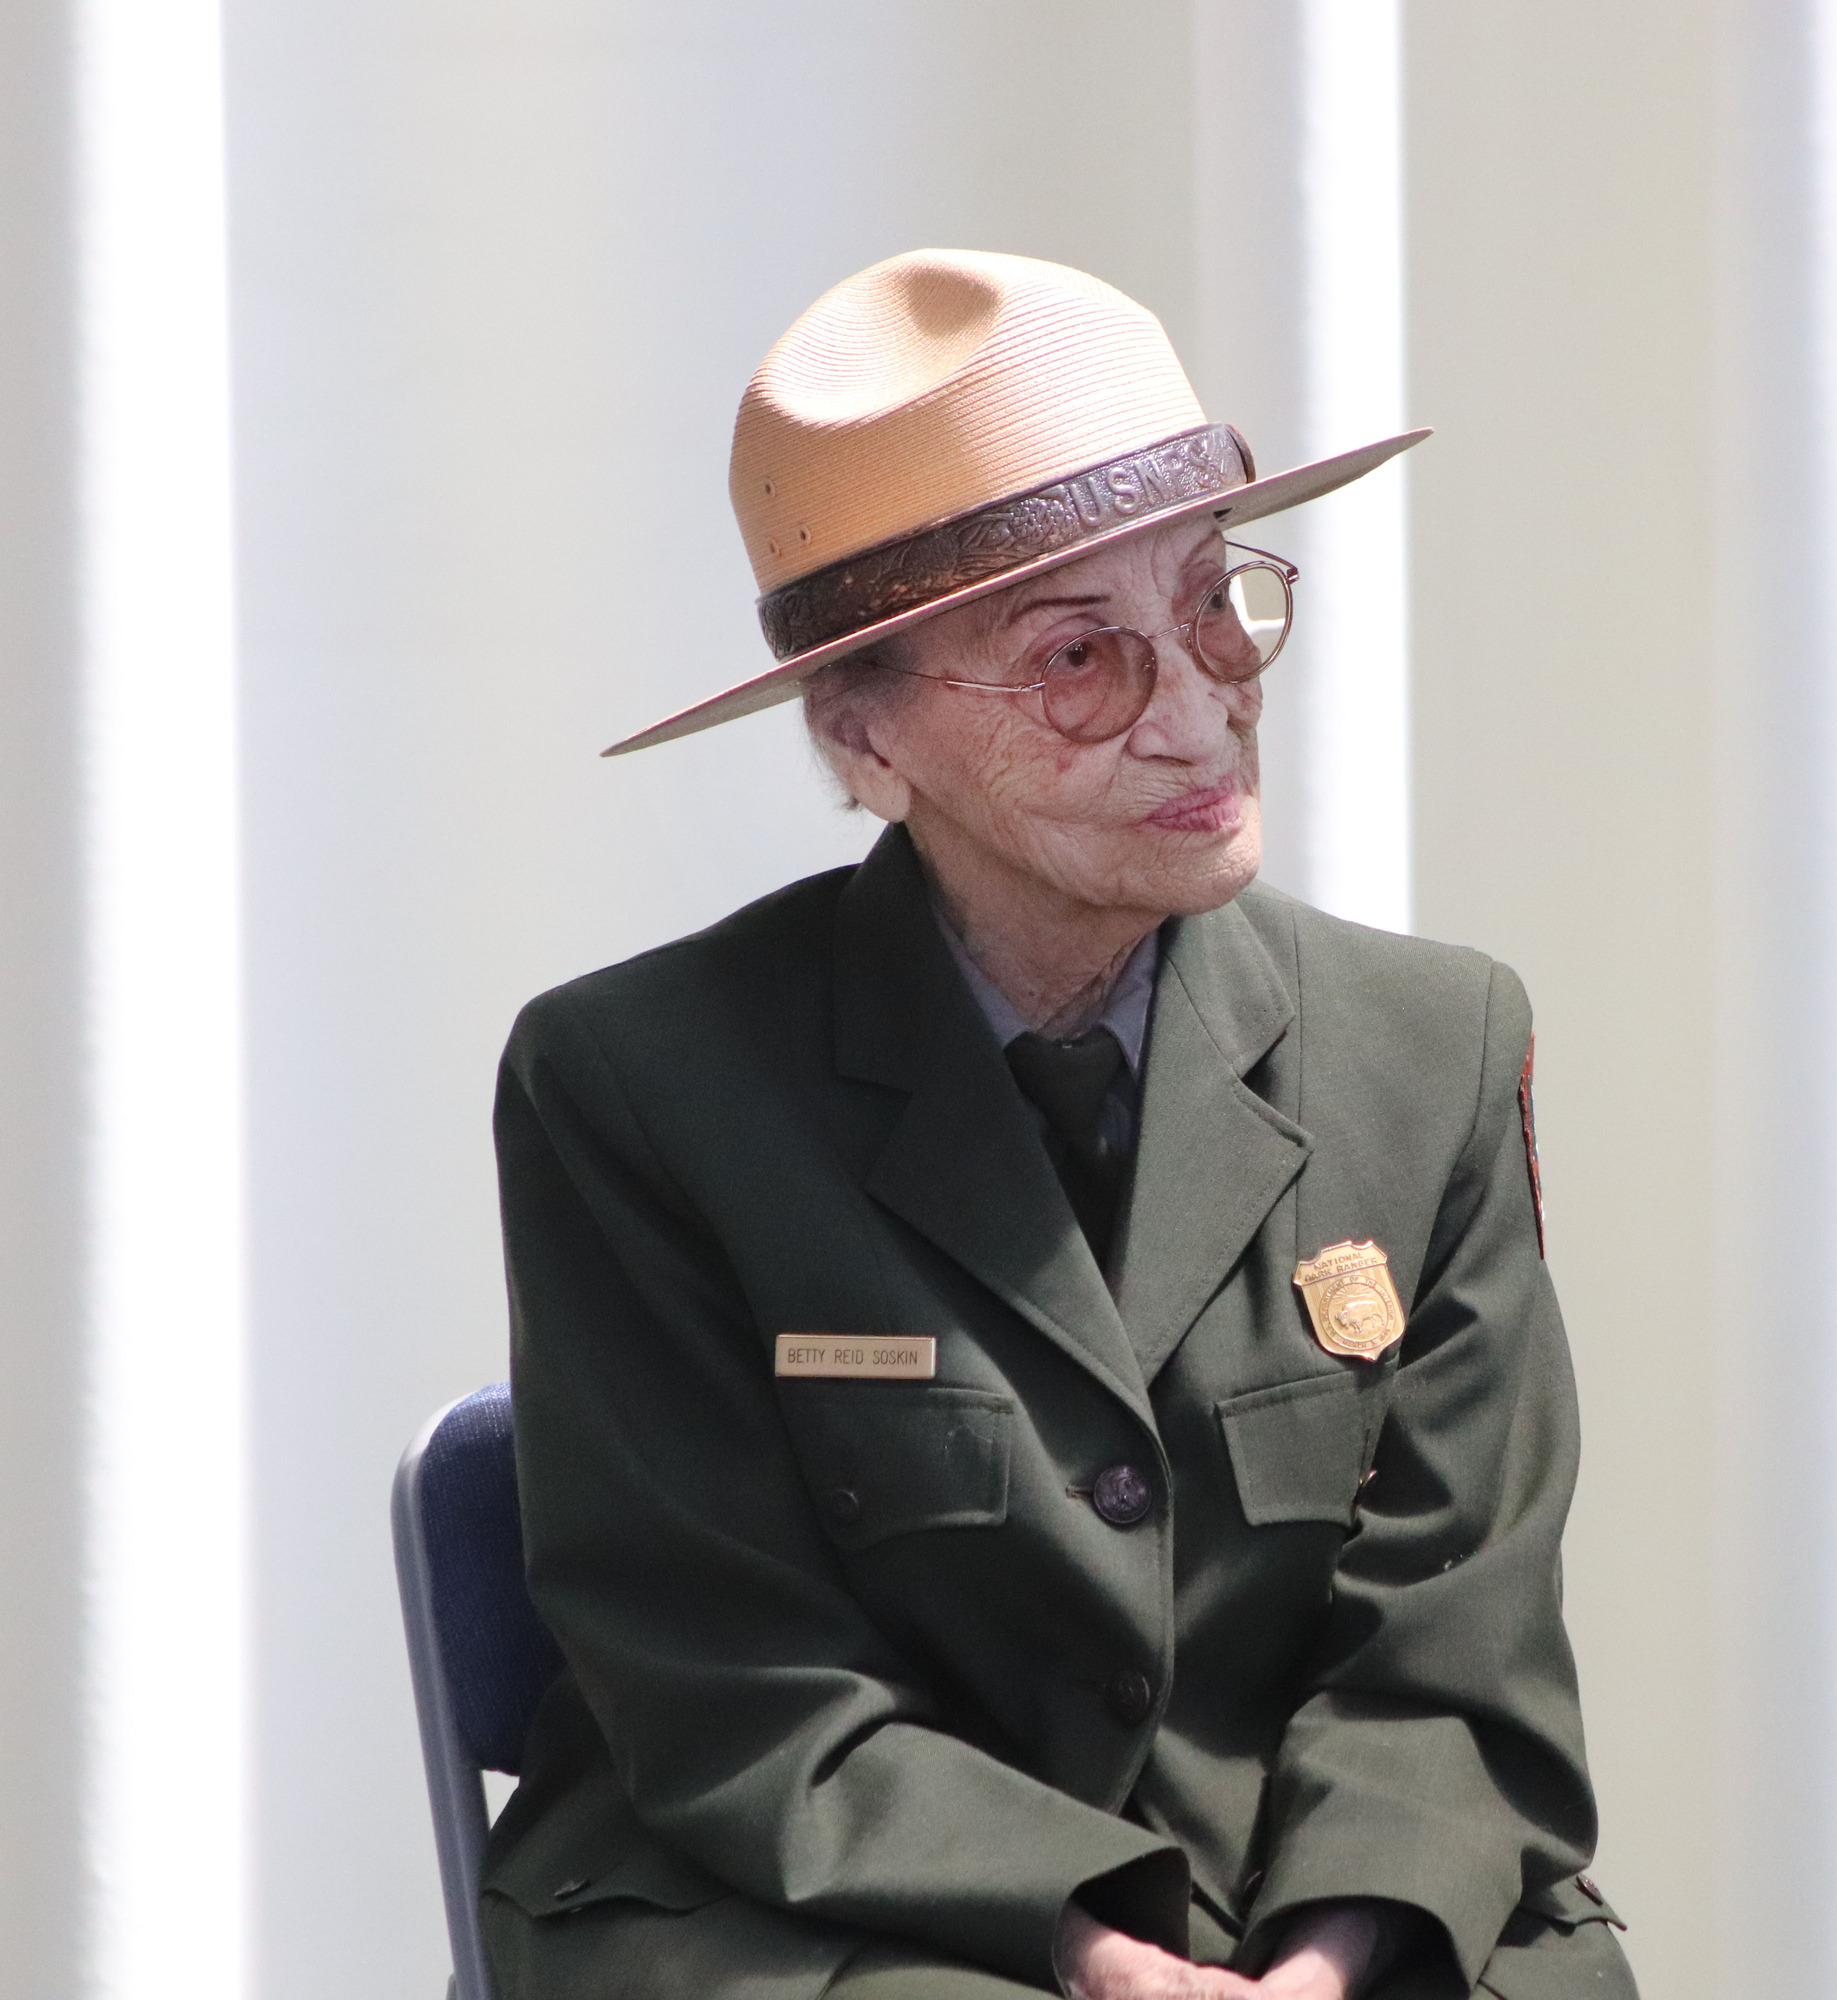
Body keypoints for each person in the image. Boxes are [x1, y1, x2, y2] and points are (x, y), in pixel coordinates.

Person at [481, 251, 1632, 2000]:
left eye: (1218, 604)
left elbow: (1452, 1646)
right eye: (1080, 658)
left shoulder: (1433, 1048)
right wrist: (1103, 1960)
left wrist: (1327, 1966)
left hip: (1316, 1897)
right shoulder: (639, 1083)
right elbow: (729, 1679)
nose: (1202, 709)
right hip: (843, 1914)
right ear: (867, 742)